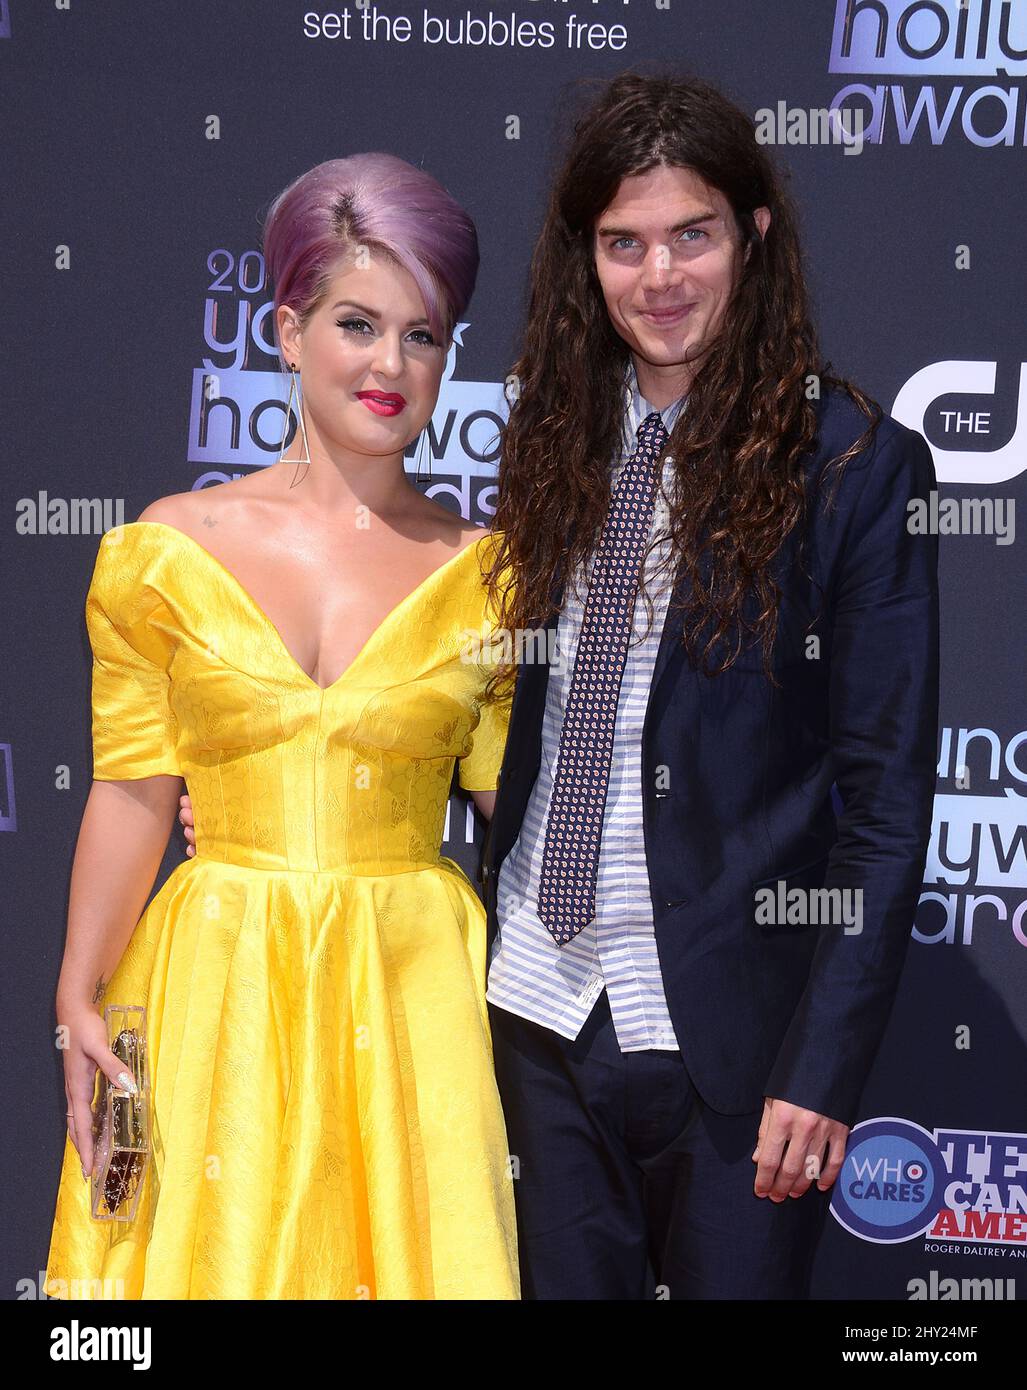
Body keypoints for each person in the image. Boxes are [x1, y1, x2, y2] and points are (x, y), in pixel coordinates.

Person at [477, 72, 940, 1299]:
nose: (658, 276)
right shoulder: (550, 436)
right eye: (622, 244)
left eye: (692, 234)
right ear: (587, 258)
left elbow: (886, 806)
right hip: (532, 1011)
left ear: (756, 235)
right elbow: (496, 707)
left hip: (737, 1056)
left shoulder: (853, 466)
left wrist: (823, 1068)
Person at [45, 153, 519, 1300]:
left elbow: (529, 817)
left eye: (424, 334)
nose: (390, 365)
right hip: (216, 983)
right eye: (358, 323)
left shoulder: (492, 578)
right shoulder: (167, 551)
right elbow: (131, 792)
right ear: (286, 328)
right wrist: (77, 997)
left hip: (410, 996)